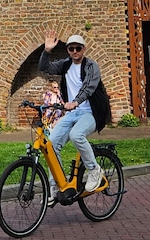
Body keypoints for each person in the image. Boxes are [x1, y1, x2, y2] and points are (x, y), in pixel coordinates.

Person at [39, 30, 111, 196]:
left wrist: (75, 102)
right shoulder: (65, 64)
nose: (75, 52)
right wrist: (47, 50)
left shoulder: (91, 66)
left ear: (84, 49)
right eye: (71, 49)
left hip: (91, 113)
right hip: (72, 113)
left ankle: (94, 170)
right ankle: (56, 186)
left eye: (78, 48)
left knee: (76, 135)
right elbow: (44, 68)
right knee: (51, 144)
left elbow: (88, 87)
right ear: (68, 51)